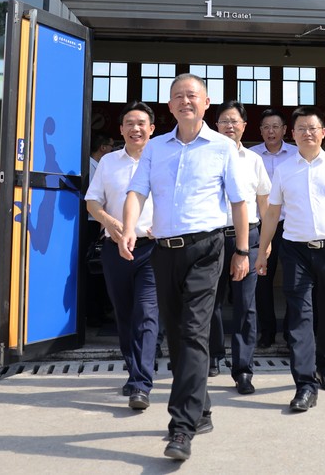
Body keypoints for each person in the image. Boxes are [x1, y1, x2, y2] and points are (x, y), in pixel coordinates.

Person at [120, 73, 249, 462]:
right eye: (178, 96)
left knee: (193, 332)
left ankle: (181, 427)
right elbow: (136, 192)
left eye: (192, 95)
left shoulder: (223, 147)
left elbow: (239, 202)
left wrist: (242, 251)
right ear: (170, 105)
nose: (185, 101)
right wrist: (128, 229)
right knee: (176, 337)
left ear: (206, 103)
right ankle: (201, 408)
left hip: (206, 249)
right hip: (163, 251)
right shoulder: (155, 148)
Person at [255, 106, 325, 412]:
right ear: (293, 134)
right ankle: (304, 385)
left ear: (323, 133)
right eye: (301, 129)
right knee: (300, 318)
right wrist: (263, 251)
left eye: (312, 128)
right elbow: (272, 214)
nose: (307, 133)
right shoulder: (284, 169)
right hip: (295, 251)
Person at [85, 101, 159, 411]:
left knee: (147, 313)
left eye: (141, 123)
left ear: (152, 129)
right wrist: (110, 222)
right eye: (129, 123)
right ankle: (134, 371)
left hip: (152, 248)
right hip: (115, 248)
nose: (135, 128)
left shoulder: (163, 160)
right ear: (121, 129)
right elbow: (92, 202)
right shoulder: (109, 162)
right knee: (125, 315)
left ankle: (141, 383)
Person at [209, 100, 271, 394]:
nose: (229, 126)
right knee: (210, 302)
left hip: (249, 237)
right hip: (212, 238)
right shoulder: (206, 157)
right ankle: (213, 355)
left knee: (246, 306)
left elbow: (264, 203)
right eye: (224, 121)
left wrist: (266, 242)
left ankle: (243, 369)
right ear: (215, 126)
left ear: (244, 126)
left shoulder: (254, 160)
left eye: (235, 121)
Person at [251, 108, 296, 347]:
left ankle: (290, 333)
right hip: (261, 225)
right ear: (260, 131)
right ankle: (266, 332)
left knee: (293, 279)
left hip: (289, 225)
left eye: (275, 127)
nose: (271, 131)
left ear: (284, 130)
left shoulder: (297, 154)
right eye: (266, 127)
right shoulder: (251, 156)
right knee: (261, 279)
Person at [86, 132, 115, 327]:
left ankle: (100, 310)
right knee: (93, 268)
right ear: (103, 147)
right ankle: (94, 313)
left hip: (100, 222)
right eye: (111, 146)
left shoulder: (99, 165)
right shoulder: (90, 167)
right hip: (93, 223)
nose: (113, 150)